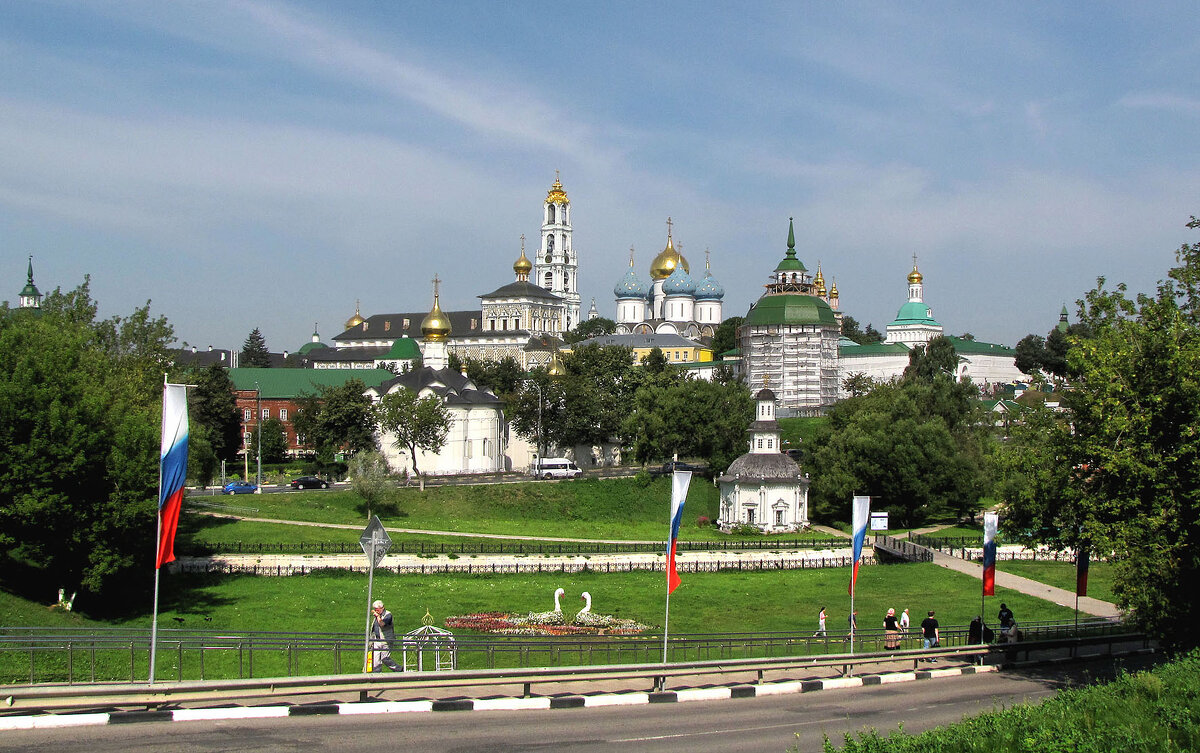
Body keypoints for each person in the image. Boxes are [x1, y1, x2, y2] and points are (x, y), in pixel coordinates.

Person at [370, 599, 401, 672]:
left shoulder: (388, 615)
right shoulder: (377, 616)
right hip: (376, 640)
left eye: (377, 609)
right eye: (375, 609)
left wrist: (377, 616)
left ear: (382, 608)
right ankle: (376, 675)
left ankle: (399, 669)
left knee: (385, 658)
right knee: (375, 659)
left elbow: (382, 624)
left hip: (386, 641)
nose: (376, 611)